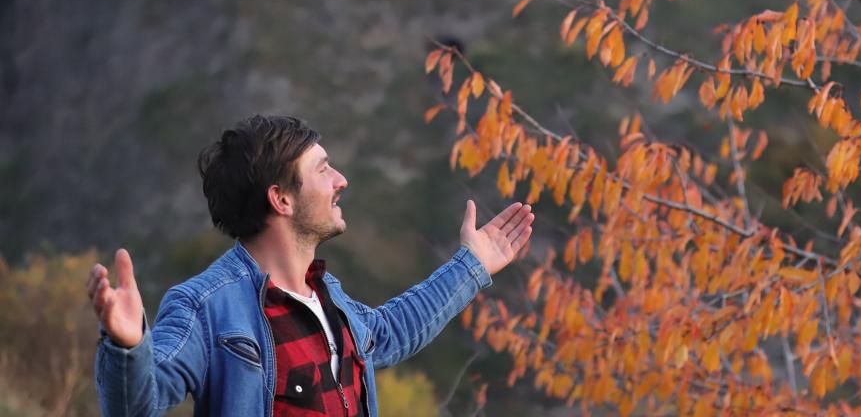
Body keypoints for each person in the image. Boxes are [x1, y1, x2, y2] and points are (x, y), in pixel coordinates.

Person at [86, 115, 534, 416]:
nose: (341, 180)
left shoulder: (327, 295)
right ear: (281, 199)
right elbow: (138, 406)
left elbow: (389, 332)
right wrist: (127, 347)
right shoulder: (204, 307)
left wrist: (472, 265)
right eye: (323, 169)